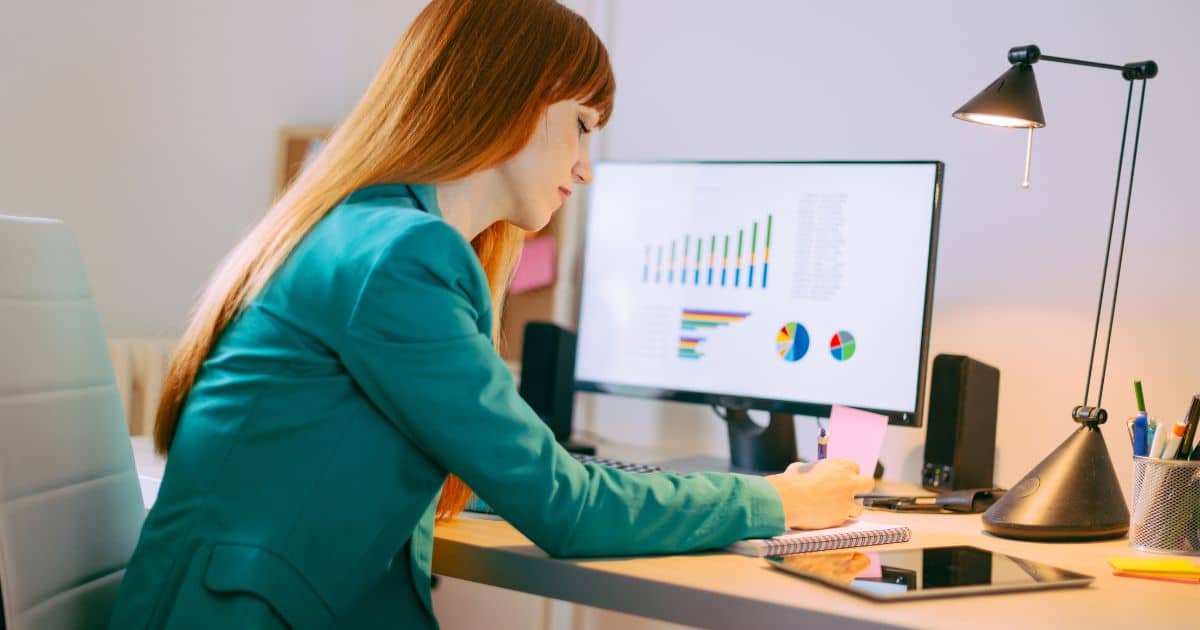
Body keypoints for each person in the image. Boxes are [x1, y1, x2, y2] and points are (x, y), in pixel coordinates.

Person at [110, 0, 873, 627]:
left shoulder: (369, 233)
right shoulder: (401, 255)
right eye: (580, 124)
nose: (584, 164)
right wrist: (782, 497)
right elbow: (565, 511)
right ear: (508, 98)